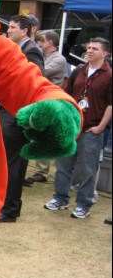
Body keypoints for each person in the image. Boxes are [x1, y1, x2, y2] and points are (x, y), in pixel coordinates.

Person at [45, 37, 112, 219]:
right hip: (72, 126)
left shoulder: (109, 75)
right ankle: (60, 198)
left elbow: (110, 105)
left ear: (105, 53)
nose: (90, 51)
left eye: (95, 48)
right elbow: (67, 95)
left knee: (88, 170)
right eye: (89, 47)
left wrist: (100, 127)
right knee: (63, 165)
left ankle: (84, 204)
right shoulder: (79, 71)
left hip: (91, 129)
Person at [0, 15, 44, 222]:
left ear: (25, 31)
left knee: (13, 164)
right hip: (6, 112)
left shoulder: (31, 51)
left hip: (16, 116)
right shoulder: (13, 50)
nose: (8, 31)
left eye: (13, 28)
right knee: (4, 163)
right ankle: (3, 204)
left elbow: (33, 80)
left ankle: (10, 209)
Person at [26, 30, 67, 184]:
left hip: (49, 101)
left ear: (50, 42)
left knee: (43, 134)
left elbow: (40, 72)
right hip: (38, 99)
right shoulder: (44, 57)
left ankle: (42, 171)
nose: (39, 44)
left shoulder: (59, 59)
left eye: (41, 41)